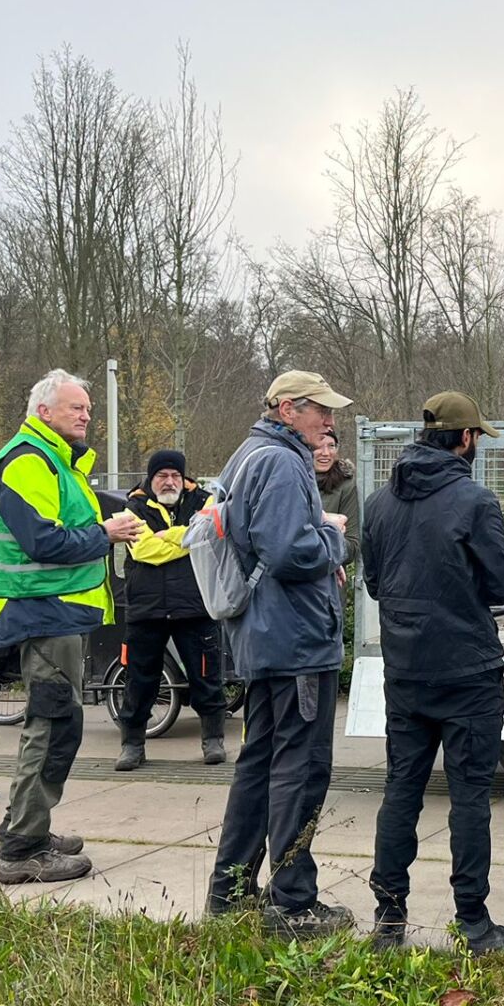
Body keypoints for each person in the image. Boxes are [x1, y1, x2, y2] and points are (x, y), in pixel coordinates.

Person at [363, 390, 504, 953]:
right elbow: (502, 586)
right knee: (470, 798)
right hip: (468, 673)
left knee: (401, 790)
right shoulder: (475, 501)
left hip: (405, 671)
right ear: (466, 438)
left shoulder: (380, 503)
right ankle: (474, 924)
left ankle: (388, 921)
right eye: (477, 436)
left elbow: (375, 584)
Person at [206, 371, 356, 939]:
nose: (330, 421)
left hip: (265, 636)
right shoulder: (284, 462)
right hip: (295, 640)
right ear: (288, 409)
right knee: (301, 769)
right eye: (322, 410)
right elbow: (290, 551)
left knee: (260, 765)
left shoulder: (247, 454)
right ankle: (293, 904)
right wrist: (331, 534)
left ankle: (230, 893)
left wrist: (313, 531)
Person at [0, 370, 142, 884]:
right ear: (44, 411)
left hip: (55, 613)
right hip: (41, 613)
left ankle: (27, 828)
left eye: (88, 408)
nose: (86, 415)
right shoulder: (30, 460)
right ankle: (21, 850)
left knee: (59, 726)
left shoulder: (56, 461)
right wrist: (105, 533)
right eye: (77, 407)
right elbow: (43, 542)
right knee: (50, 727)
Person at [114, 448, 228, 771]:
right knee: (139, 680)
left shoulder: (204, 501)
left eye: (175, 475)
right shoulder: (132, 507)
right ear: (151, 479)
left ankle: (213, 739)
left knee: (206, 675)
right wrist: (188, 537)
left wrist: (173, 535)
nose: (169, 481)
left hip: (194, 607)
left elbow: (211, 535)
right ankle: (132, 744)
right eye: (162, 476)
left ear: (183, 477)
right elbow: (145, 550)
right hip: (146, 609)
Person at [315, 427, 362, 573]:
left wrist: (327, 531)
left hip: (329, 576)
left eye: (331, 446)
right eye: (318, 446)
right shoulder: (291, 479)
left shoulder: (345, 485)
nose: (326, 453)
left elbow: (352, 547)